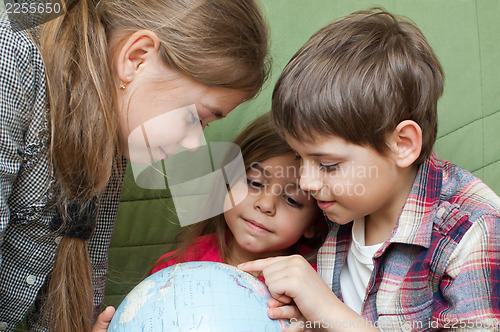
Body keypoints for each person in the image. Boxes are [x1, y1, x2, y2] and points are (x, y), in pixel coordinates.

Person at [0, 0, 269, 331]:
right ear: (137, 58)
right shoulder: (9, 60)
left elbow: (86, 270)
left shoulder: (118, 133)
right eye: (197, 117)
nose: (194, 144)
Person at [239, 8, 500, 331]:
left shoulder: (471, 231)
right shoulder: (341, 209)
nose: (306, 181)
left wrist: (329, 310)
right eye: (299, 157)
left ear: (402, 144)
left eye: (328, 165)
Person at [151, 113, 327, 280]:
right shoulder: (178, 265)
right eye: (254, 182)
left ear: (313, 224)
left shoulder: (316, 282)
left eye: (292, 199)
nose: (265, 204)